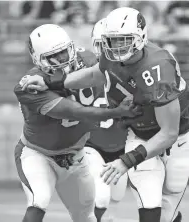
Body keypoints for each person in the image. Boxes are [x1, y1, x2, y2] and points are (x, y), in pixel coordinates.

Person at [21, 7, 189, 222]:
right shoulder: (109, 56)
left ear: (140, 36)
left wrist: (126, 160)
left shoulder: (158, 67)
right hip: (139, 133)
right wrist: (51, 81)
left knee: (170, 202)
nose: (117, 47)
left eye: (124, 40)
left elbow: (169, 132)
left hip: (176, 137)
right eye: (112, 40)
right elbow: (95, 74)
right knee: (148, 203)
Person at [13, 24, 141, 222]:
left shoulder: (88, 60)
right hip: (38, 154)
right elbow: (74, 111)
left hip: (75, 155)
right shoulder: (29, 85)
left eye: (65, 51)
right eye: (55, 56)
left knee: (87, 217)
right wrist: (117, 111)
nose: (64, 59)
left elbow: (112, 73)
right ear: (38, 58)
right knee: (40, 200)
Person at [85, 18, 128, 222]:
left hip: (122, 146)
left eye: (113, 43)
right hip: (92, 145)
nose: (109, 49)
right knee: (102, 196)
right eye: (104, 44)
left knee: (117, 196)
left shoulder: (132, 73)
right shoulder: (84, 73)